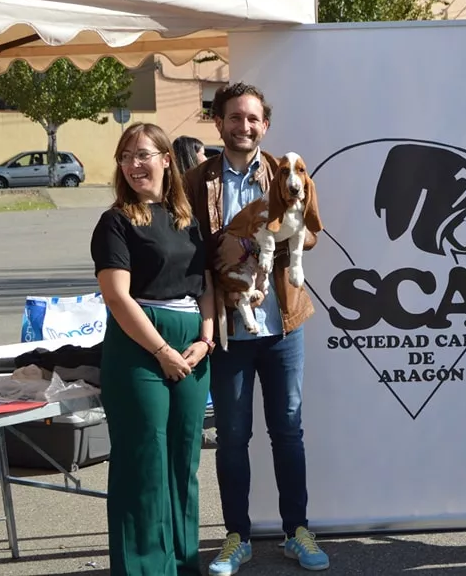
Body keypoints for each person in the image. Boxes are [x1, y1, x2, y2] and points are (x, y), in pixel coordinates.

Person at [183, 82, 330, 574]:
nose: (243, 126)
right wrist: (220, 250)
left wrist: (260, 243)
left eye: (252, 119)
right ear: (219, 123)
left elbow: (310, 231)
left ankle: (297, 531)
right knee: (232, 436)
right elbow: (184, 246)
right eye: (234, 117)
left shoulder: (285, 171)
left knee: (288, 430)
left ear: (264, 126)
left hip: (283, 325)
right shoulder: (196, 180)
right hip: (229, 329)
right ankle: (236, 537)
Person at [90, 122, 215, 575]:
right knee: (144, 459)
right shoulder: (116, 222)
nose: (134, 164)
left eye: (143, 154)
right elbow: (117, 297)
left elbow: (207, 284)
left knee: (184, 458)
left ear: (166, 159)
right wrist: (162, 350)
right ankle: (144, 567)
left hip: (193, 347)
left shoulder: (187, 220)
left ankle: (183, 564)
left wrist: (207, 336)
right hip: (140, 344)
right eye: (126, 156)